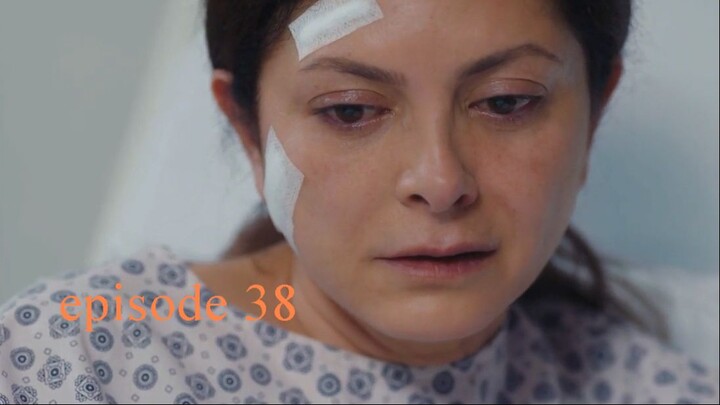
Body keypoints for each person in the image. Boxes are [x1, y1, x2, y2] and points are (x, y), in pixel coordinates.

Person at [0, 0, 718, 403]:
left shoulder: (648, 389)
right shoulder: (82, 355)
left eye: (506, 102)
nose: (440, 180)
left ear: (594, 113)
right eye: (350, 110)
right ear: (247, 129)